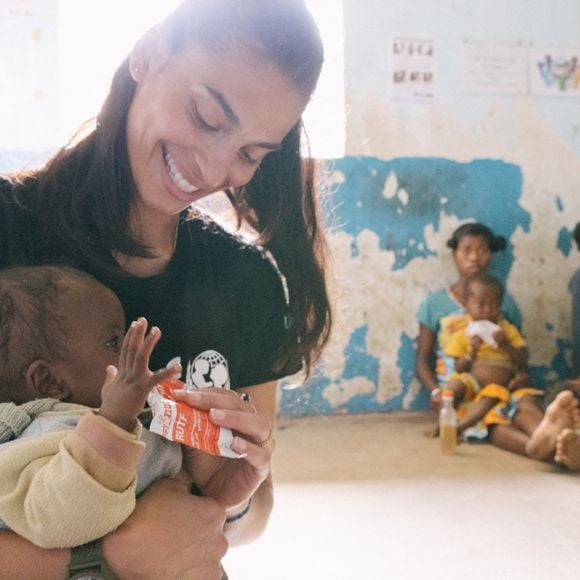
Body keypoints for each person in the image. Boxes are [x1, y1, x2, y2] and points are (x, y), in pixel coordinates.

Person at [0, 1, 332, 577]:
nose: (212, 168)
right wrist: (102, 555)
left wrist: (232, 494)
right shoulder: (8, 228)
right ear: (149, 53)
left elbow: (254, 516)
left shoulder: (245, 283)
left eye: (251, 154)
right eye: (206, 116)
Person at [0, 265, 185, 549]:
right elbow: (58, 519)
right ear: (49, 381)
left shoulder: (111, 420)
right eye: (112, 342)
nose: (127, 351)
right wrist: (113, 422)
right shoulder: (32, 441)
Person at [416, 222, 526, 412]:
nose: (474, 258)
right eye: (466, 250)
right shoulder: (435, 304)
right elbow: (422, 361)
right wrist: (436, 393)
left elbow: (519, 353)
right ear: (454, 254)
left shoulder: (506, 303)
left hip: (501, 384)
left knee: (522, 410)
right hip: (456, 389)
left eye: (482, 250)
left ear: (491, 255)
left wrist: (522, 376)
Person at [438, 272, 545, 453]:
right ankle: (444, 421)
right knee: (454, 385)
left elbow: (522, 359)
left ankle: (460, 427)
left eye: (494, 305)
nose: (488, 310)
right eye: (481, 304)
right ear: (466, 305)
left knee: (492, 394)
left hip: (498, 385)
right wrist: (472, 351)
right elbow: (459, 368)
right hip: (472, 383)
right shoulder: (463, 334)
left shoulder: (506, 330)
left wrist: (505, 344)